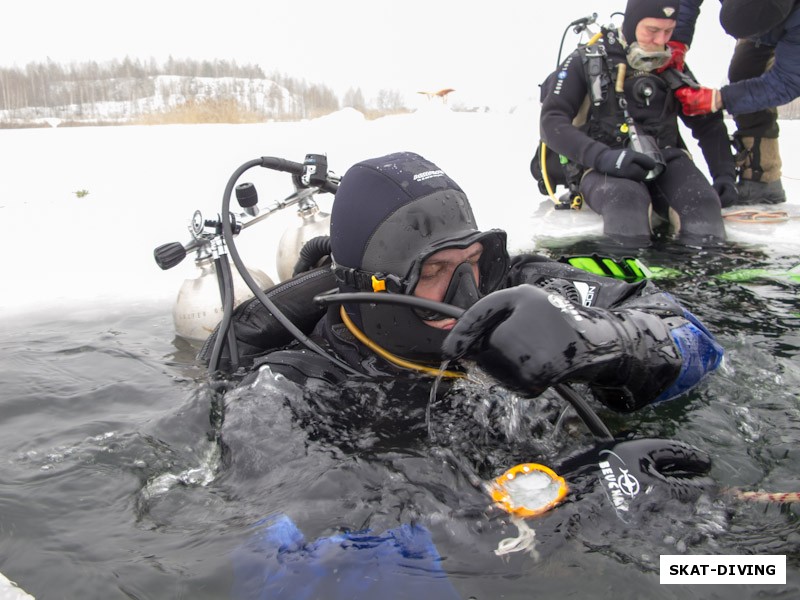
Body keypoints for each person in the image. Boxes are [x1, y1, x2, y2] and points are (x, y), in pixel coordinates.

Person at [536, 0, 736, 246]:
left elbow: (707, 123)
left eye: (668, 32)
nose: (660, 40)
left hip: (666, 160)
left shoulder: (671, 67)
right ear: (631, 25)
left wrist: (725, 175)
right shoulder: (588, 61)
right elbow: (551, 122)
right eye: (652, 31)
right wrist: (602, 157)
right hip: (603, 165)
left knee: (704, 208)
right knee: (627, 206)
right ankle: (627, 282)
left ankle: (695, 281)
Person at [669, 0, 797, 205]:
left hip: (792, 25)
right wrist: (677, 40)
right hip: (770, 22)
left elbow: (787, 82)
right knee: (744, 71)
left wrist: (721, 99)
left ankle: (762, 180)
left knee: (751, 85)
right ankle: (759, 173)